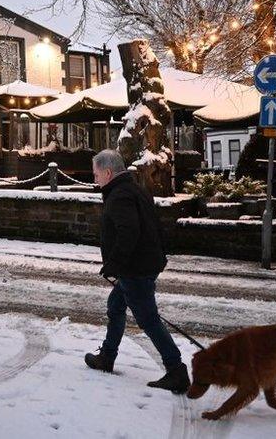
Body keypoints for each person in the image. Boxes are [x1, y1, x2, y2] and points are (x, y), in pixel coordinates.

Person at [84, 149, 190, 394]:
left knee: (148, 319)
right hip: (141, 265)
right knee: (116, 307)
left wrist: (114, 265)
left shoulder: (119, 196)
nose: (95, 179)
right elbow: (154, 226)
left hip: (135, 268)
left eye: (96, 174)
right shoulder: (136, 189)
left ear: (108, 172)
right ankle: (107, 357)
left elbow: (128, 233)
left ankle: (176, 370)